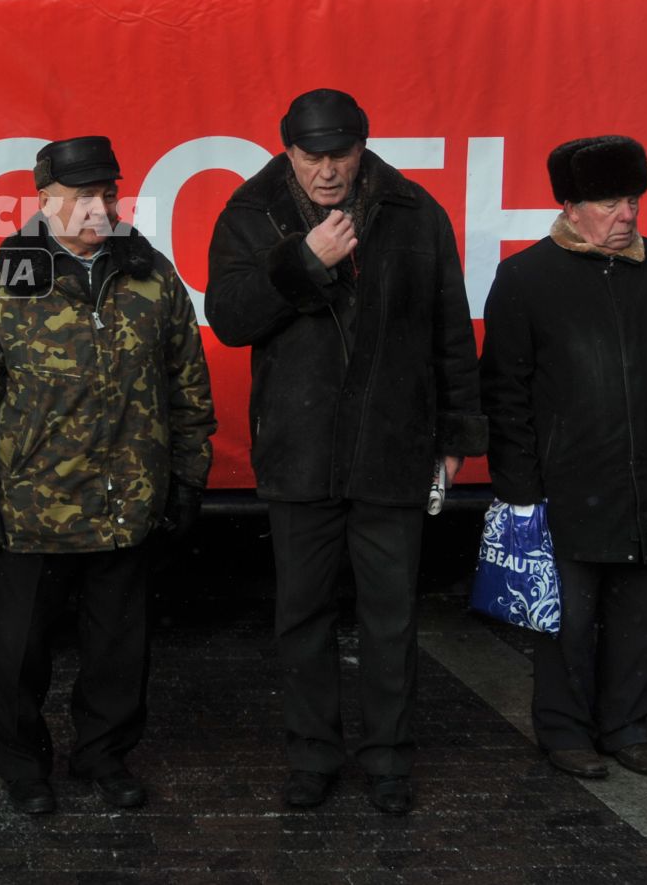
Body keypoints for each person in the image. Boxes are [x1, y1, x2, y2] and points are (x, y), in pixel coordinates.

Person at [204, 89, 483, 815]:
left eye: (340, 155)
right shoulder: (249, 210)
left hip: (394, 446)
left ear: (362, 147)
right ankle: (312, 756)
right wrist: (303, 261)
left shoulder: (415, 211)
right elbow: (229, 318)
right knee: (303, 616)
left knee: (392, 617)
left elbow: (451, 330)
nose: (327, 171)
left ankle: (389, 762)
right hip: (299, 450)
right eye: (311, 156)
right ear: (288, 150)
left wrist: (456, 436)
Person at [0, 136, 214, 816]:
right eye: (82, 196)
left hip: (126, 503)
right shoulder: (6, 283)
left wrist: (186, 477)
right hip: (31, 509)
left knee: (119, 653)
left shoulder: (151, 277)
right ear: (44, 202)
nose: (98, 208)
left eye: (107, 194)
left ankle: (104, 754)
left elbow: (189, 386)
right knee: (14, 656)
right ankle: (23, 766)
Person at [481, 137, 647, 780]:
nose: (627, 214)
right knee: (568, 620)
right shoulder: (527, 277)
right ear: (571, 206)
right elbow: (504, 390)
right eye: (611, 202)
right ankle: (564, 735)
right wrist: (520, 484)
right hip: (566, 486)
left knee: (641, 620)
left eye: (634, 199)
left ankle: (627, 729)